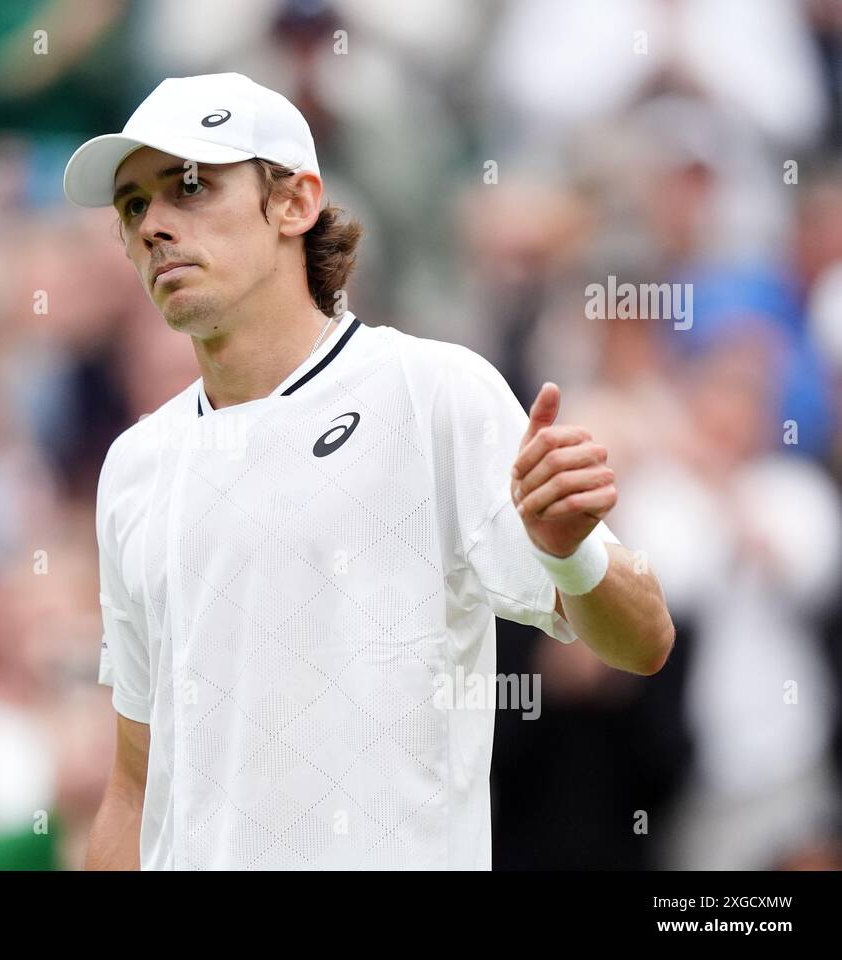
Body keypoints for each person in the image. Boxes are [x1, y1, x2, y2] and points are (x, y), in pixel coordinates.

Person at [62, 72, 674, 870]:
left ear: (294, 203)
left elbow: (644, 641)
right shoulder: (134, 468)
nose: (153, 226)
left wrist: (570, 550)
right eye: (134, 205)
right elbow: (137, 787)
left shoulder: (434, 394)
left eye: (189, 187)